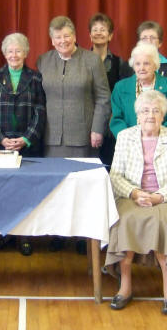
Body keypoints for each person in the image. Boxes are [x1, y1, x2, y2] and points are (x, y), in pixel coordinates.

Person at [105, 90, 167, 315]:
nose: (150, 115)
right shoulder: (125, 137)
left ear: (163, 115)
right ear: (137, 115)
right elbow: (115, 176)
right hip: (133, 196)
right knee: (124, 219)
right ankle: (125, 286)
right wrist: (134, 193)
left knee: (162, 220)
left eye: (155, 111)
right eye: (145, 111)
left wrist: (159, 197)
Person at [37, 15, 111, 252]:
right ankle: (58, 233)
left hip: (83, 136)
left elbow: (103, 97)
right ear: (51, 40)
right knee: (55, 188)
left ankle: (82, 236)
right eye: (57, 37)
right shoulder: (43, 60)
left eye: (66, 36)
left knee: (81, 189)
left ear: (75, 36)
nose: (62, 41)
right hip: (51, 137)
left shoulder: (91, 61)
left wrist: (98, 128)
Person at [0, 32, 46, 256]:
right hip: (1, 145)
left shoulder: (36, 78)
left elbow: (40, 111)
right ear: (4, 53)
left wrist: (27, 138)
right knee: (3, 191)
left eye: (18, 50)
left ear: (26, 53)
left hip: (28, 144)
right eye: (10, 51)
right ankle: (4, 233)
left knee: (26, 192)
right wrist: (0, 138)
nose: (14, 54)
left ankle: (25, 235)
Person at [110, 42, 167, 138]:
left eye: (146, 63)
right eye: (137, 64)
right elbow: (117, 119)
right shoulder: (120, 87)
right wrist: (131, 139)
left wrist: (152, 139)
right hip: (129, 143)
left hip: (161, 143)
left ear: (155, 65)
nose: (142, 68)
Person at [88, 12, 123, 170]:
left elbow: (122, 96)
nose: (98, 32)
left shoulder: (121, 64)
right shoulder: (81, 61)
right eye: (95, 29)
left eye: (103, 29)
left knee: (108, 167)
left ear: (110, 35)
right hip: (87, 122)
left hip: (110, 124)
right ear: (89, 35)